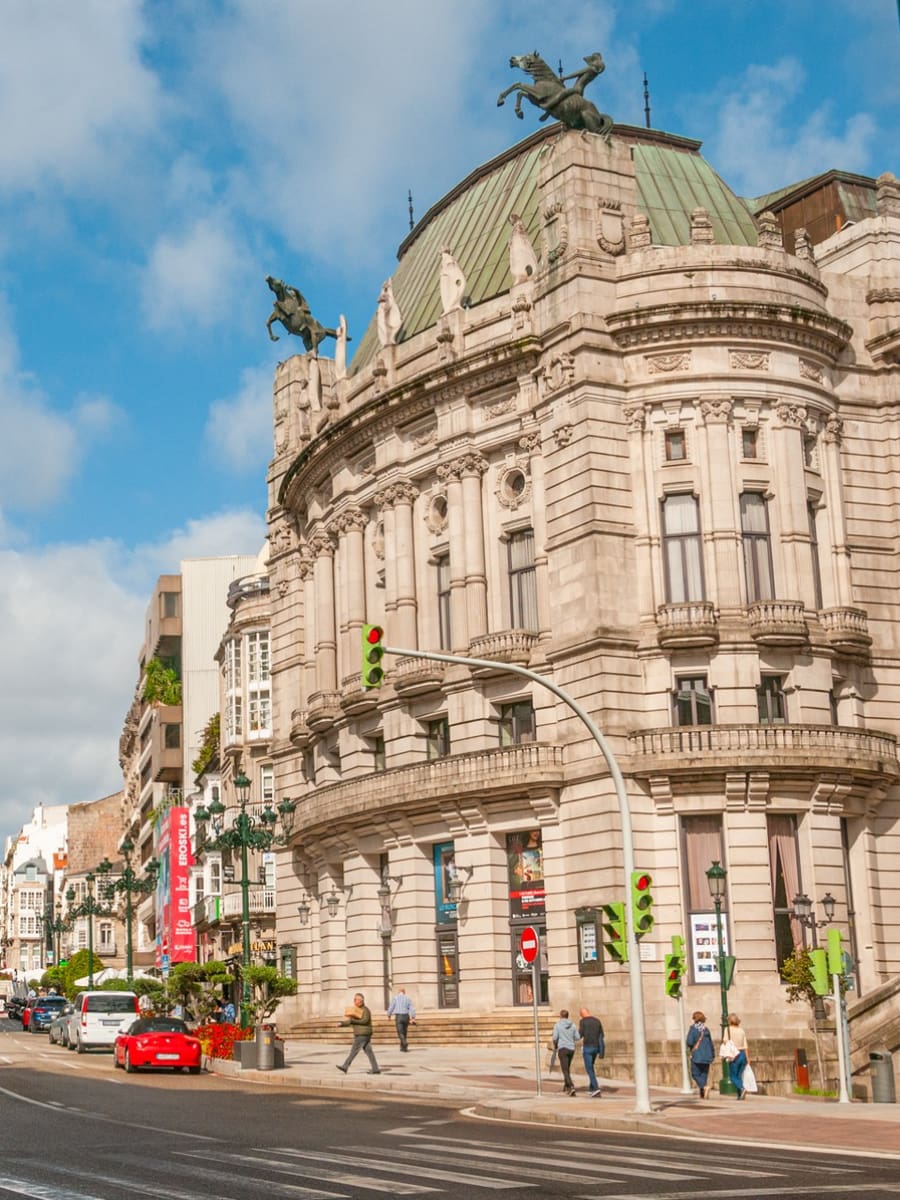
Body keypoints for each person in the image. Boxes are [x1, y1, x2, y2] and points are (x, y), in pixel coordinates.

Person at [337, 991, 381, 1075]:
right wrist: (342, 1023)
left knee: (354, 1051)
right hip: (363, 1033)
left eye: (355, 999)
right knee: (369, 1052)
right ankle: (375, 1069)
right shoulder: (357, 1010)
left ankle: (345, 1066)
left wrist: (353, 1020)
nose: (354, 1001)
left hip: (362, 1034)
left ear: (361, 1000)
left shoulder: (365, 1010)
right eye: (354, 999)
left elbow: (365, 1021)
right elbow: (351, 1021)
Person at [686, 1010, 716, 1099]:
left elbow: (689, 1042)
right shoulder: (706, 1029)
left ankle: (704, 1087)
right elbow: (711, 1043)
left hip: (697, 1055)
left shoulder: (693, 1029)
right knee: (704, 1074)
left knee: (695, 1074)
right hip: (707, 1055)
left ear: (694, 1019)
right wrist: (712, 1054)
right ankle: (703, 1093)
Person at [551, 1008, 581, 1096]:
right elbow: (577, 1037)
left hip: (563, 1048)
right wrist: (570, 1037)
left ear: (560, 1016)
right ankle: (566, 1086)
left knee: (564, 1069)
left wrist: (555, 1046)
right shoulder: (573, 1025)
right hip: (571, 1049)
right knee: (567, 1068)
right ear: (567, 1016)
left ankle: (571, 1086)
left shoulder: (557, 1025)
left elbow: (555, 1038)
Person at [577, 1006, 605, 1097]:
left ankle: (596, 1088)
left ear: (582, 1014)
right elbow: (601, 1035)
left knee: (589, 1068)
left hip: (587, 1047)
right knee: (591, 1067)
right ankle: (591, 1088)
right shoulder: (597, 1021)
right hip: (596, 1047)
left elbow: (580, 1034)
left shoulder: (583, 1021)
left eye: (581, 1015)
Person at [726, 1012, 750, 1099]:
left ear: (729, 1021)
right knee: (739, 1076)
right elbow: (745, 1045)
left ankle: (741, 1088)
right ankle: (739, 1095)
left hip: (734, 1055)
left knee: (733, 1076)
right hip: (742, 1054)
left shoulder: (728, 1030)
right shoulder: (741, 1031)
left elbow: (725, 1041)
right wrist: (748, 1058)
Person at [386, 986, 416, 1052]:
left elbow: (391, 1007)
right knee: (404, 1031)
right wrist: (413, 1017)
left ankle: (404, 1043)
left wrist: (389, 1015)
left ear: (399, 992)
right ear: (404, 992)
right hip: (406, 1016)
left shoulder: (395, 998)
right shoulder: (407, 998)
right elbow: (412, 1008)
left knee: (400, 1032)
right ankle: (403, 1048)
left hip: (399, 1016)